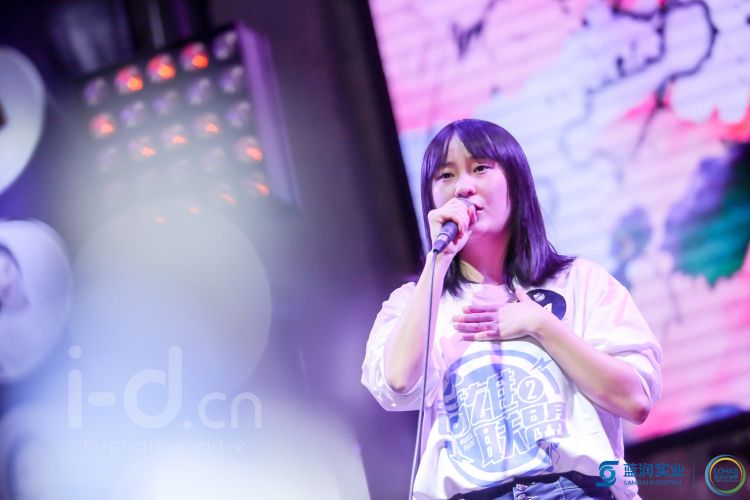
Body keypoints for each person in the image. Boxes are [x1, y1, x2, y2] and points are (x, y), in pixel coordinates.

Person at [361, 119, 662, 500]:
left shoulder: (579, 281)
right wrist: (439, 262)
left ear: (515, 183)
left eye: (480, 168)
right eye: (445, 175)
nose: (463, 187)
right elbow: (398, 382)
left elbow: (634, 401)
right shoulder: (412, 301)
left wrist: (542, 326)